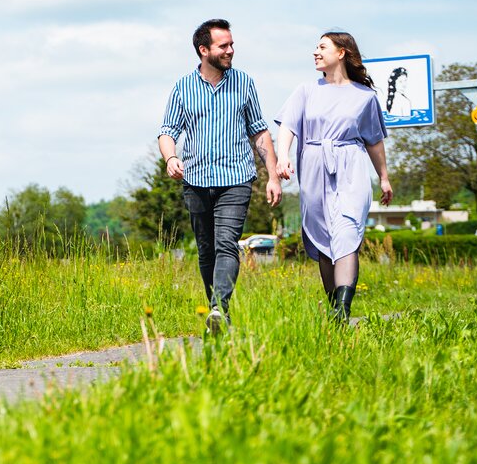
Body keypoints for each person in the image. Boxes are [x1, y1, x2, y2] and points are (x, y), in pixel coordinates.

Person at [158, 18, 281, 334]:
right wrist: (171, 157)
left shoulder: (244, 83)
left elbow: (260, 132)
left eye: (232, 44)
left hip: (236, 178)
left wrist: (273, 176)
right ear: (204, 50)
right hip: (196, 180)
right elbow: (167, 132)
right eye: (223, 46)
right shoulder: (183, 88)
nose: (231, 50)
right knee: (206, 249)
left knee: (227, 242)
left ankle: (218, 307)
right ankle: (218, 313)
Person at [274, 31, 393, 321]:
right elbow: (287, 126)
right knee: (324, 240)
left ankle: (343, 307)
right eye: (316, 47)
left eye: (322, 47)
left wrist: (384, 177)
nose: (315, 52)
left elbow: (374, 141)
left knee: (346, 233)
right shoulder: (305, 90)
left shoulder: (365, 97)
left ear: (341, 52)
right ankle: (335, 311)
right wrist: (284, 156)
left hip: (350, 167)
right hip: (313, 168)